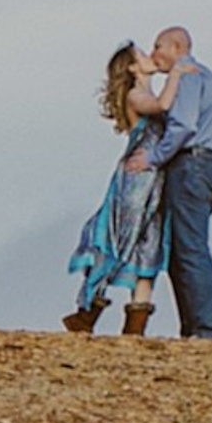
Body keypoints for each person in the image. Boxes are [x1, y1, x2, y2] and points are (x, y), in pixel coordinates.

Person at [122, 25, 212, 341]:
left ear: (177, 47)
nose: (154, 52)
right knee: (181, 249)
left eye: (158, 46)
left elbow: (183, 126)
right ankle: (195, 328)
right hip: (210, 169)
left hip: (192, 166)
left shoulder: (188, 76)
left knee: (190, 249)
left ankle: (207, 329)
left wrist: (153, 157)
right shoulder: (206, 77)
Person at [66, 42, 180, 333]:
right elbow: (162, 106)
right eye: (142, 54)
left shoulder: (145, 92)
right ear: (131, 67)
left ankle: (135, 325)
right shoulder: (136, 95)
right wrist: (177, 74)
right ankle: (87, 309)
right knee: (124, 239)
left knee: (149, 244)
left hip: (153, 181)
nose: (149, 56)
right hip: (137, 182)